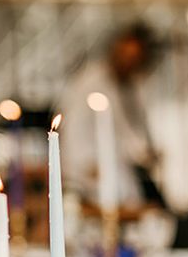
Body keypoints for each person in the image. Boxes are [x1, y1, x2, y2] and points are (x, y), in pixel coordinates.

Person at [60, 23, 166, 210]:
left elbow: (129, 133)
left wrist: (145, 153)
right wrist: (87, 165)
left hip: (123, 175)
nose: (128, 62)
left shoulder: (134, 87)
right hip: (90, 173)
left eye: (135, 58)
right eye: (125, 55)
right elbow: (74, 129)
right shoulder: (90, 82)